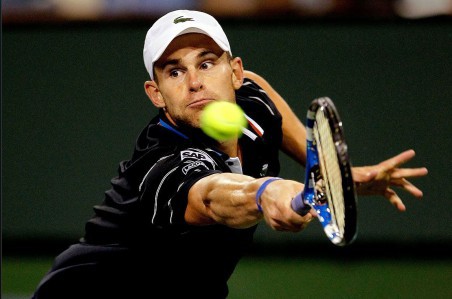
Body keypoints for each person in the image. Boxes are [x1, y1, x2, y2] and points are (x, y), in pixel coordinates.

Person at [31, 9, 428, 299]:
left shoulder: (251, 99)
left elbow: (262, 89)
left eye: (207, 63)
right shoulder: (159, 162)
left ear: (234, 72)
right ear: (157, 95)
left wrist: (330, 171)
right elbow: (212, 197)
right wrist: (266, 191)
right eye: (174, 71)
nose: (195, 83)